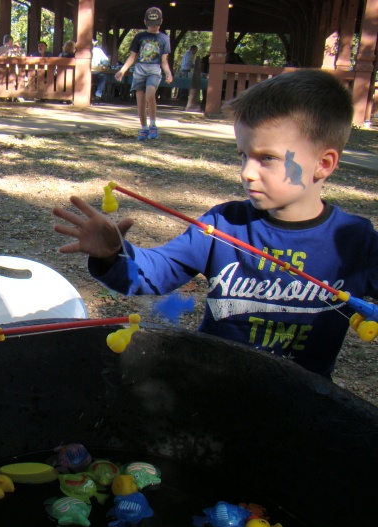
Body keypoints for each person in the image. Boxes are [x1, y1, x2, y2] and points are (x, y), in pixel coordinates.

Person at [52, 69, 378, 379]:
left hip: (304, 402)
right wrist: (114, 255)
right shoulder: (223, 223)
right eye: (243, 155)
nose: (247, 172)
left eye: (266, 158)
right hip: (213, 383)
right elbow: (155, 273)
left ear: (323, 164)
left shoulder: (355, 241)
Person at [114, 7, 173, 141]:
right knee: (140, 102)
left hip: (154, 70)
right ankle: (144, 128)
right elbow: (132, 57)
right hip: (139, 71)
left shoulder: (164, 38)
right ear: (145, 22)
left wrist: (168, 73)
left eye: (156, 24)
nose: (153, 27)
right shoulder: (140, 37)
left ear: (161, 22)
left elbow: (164, 61)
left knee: (150, 95)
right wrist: (122, 70)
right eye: (151, 24)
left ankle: (153, 125)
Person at [91, 39, 111, 103]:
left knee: (103, 76)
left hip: (96, 72)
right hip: (84, 73)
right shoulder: (81, 51)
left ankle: (98, 95)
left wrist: (105, 64)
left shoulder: (98, 51)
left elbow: (105, 59)